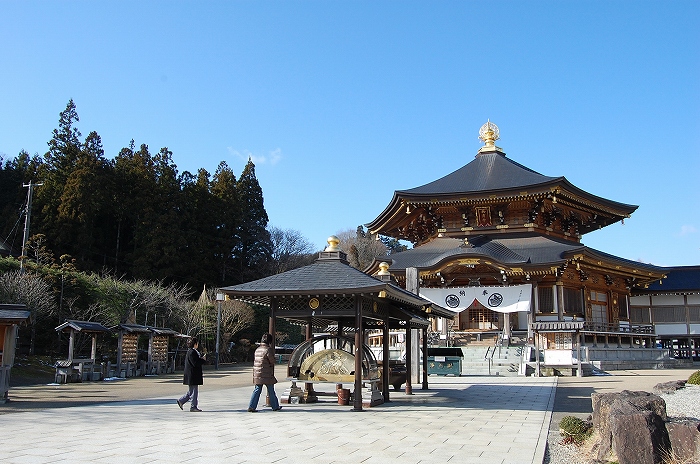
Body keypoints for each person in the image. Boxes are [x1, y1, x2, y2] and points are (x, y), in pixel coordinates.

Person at [248, 333, 282, 412]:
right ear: (269, 341)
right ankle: (275, 406)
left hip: (257, 373)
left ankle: (252, 406)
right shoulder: (268, 349)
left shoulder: (257, 349)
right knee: (271, 390)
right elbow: (272, 361)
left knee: (257, 390)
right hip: (266, 373)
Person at [177, 336, 206, 412]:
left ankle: (181, 401)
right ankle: (193, 406)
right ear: (195, 344)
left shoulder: (191, 351)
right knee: (194, 391)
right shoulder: (192, 352)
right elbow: (195, 363)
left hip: (191, 374)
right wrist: (203, 360)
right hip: (192, 374)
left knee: (191, 391)